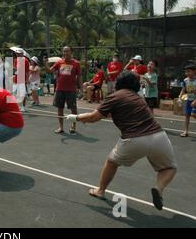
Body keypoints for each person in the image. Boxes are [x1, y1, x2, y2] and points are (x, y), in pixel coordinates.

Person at [66, 71, 177, 211]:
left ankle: (100, 190)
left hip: (134, 138)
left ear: (120, 82)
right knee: (170, 168)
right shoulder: (138, 97)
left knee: (112, 162)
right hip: (159, 136)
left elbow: (94, 117)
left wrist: (76, 117)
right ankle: (159, 188)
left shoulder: (115, 96)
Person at [44, 46, 83, 135]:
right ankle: (61, 127)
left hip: (71, 90)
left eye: (67, 51)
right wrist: (45, 64)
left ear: (71, 52)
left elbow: (80, 77)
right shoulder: (59, 62)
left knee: (73, 109)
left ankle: (73, 126)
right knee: (60, 108)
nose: (65, 53)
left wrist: (81, 89)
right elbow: (50, 71)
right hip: (60, 89)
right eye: (64, 52)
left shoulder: (76, 63)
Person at [179, 65, 196, 137]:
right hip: (189, 100)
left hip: (195, 100)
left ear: (194, 71)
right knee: (187, 115)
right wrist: (180, 97)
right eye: (186, 72)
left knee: (193, 114)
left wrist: (195, 101)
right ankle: (186, 131)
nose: (187, 73)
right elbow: (183, 89)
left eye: (189, 71)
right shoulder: (185, 80)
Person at [12, 47, 30, 112]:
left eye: (18, 53)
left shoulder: (26, 61)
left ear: (22, 54)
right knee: (17, 93)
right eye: (16, 53)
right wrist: (14, 77)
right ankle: (18, 106)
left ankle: (23, 107)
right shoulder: (16, 60)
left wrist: (27, 79)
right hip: (17, 78)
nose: (17, 55)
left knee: (23, 93)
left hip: (23, 78)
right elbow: (15, 70)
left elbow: (27, 71)